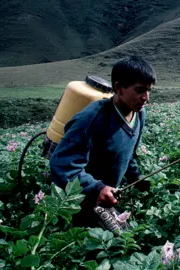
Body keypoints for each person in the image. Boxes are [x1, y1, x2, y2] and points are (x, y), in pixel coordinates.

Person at [49, 55, 155, 227]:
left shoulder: (139, 114)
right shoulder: (91, 118)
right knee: (118, 242)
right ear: (119, 88)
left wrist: (138, 178)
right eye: (140, 90)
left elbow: (128, 155)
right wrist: (97, 188)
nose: (146, 97)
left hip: (106, 195)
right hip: (80, 198)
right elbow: (62, 164)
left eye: (149, 90)